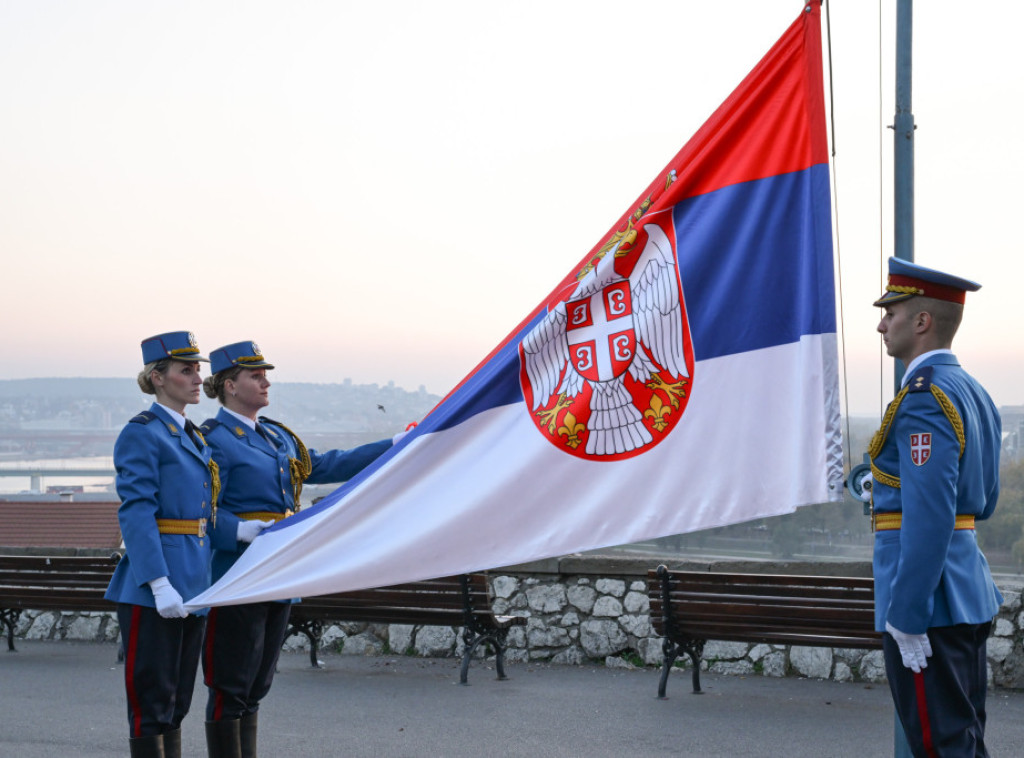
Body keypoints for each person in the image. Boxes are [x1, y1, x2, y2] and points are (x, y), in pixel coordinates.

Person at [199, 341, 397, 758]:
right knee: (230, 681)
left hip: (281, 569)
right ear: (230, 386)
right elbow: (196, 508)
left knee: (257, 682)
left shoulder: (276, 435)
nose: (265, 381)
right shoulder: (212, 440)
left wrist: (394, 444)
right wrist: (237, 531)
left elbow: (325, 465)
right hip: (240, 570)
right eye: (255, 376)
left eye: (264, 374)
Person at [869, 257, 1002, 757]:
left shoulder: (924, 397)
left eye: (892, 313)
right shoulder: (973, 390)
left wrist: (906, 613)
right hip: (965, 588)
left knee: (940, 747)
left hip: (931, 604)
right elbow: (980, 501)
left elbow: (931, 516)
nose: (882, 324)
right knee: (963, 742)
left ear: (922, 322)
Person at [105, 331, 218, 758]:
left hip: (193, 581)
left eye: (197, 370)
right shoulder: (143, 433)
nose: (195, 378)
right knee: (151, 703)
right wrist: (157, 582)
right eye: (185, 370)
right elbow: (136, 512)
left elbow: (202, 513)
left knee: (176, 704)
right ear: (157, 378)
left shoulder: (191, 435)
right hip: (156, 587)